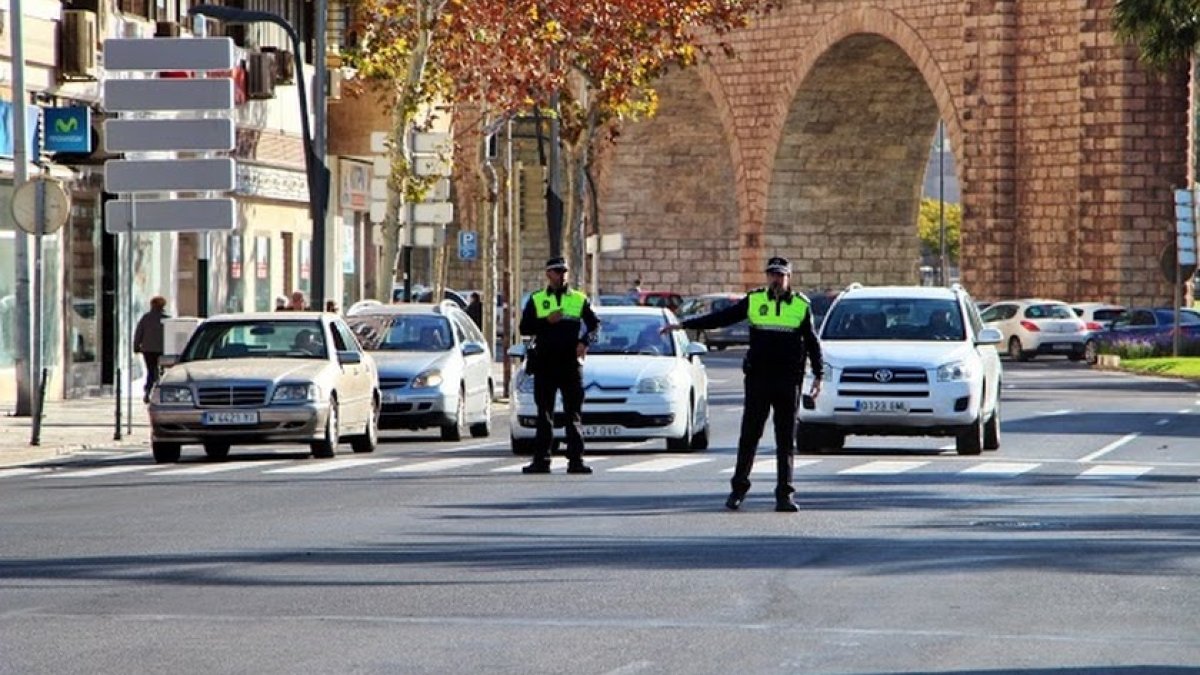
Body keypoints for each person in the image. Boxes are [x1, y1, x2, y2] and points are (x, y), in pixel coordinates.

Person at [663, 256, 822, 512]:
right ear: (767, 276)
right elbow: (722, 317)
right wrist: (684, 325)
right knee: (749, 436)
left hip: (788, 380)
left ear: (789, 278)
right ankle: (738, 489)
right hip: (759, 378)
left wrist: (819, 375)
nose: (776, 279)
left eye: (780, 275)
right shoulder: (755, 299)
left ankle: (785, 494)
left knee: (785, 440)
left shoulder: (801, 305)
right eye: (772, 274)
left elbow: (812, 342)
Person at [519, 256, 600, 475]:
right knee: (544, 414)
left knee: (573, 413)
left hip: (569, 363)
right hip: (545, 362)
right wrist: (546, 321)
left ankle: (576, 460)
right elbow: (524, 328)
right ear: (548, 274)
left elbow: (594, 325)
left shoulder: (578, 299)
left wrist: (584, 343)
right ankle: (541, 460)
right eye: (557, 271)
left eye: (564, 271)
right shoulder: (536, 299)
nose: (561, 275)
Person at [133, 295, 169, 403]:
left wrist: (136, 346)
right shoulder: (167, 319)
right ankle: (157, 391)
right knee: (160, 371)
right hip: (162, 350)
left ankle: (148, 390)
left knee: (151, 370)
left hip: (147, 350)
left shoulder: (146, 318)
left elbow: (138, 333)